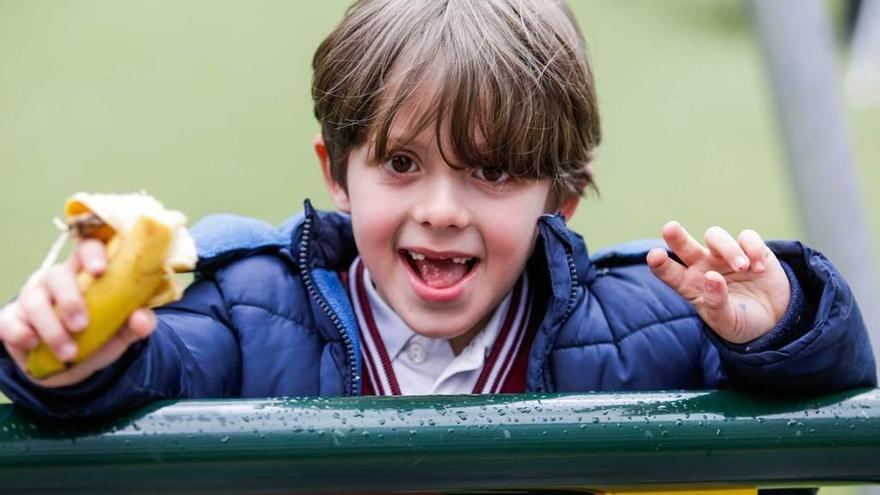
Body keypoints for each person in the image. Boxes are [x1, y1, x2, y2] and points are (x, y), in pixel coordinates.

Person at [0, 0, 875, 418]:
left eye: (492, 172)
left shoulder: (647, 320)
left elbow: (829, 400)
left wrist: (778, 326)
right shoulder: (246, 307)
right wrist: (75, 358)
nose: (443, 210)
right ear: (338, 173)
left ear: (561, 197)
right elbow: (151, 379)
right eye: (404, 163)